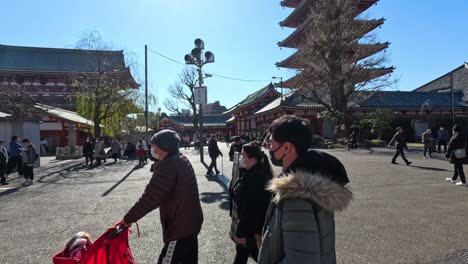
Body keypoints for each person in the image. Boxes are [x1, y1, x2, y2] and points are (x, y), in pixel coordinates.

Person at [258, 115, 352, 263]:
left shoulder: (296, 196)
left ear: (287, 147)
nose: (269, 148)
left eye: (270, 143)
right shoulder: (316, 181)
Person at [122, 130, 203, 263]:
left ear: (164, 147)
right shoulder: (181, 159)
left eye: (154, 145)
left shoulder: (169, 165)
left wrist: (128, 218)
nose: (152, 148)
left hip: (179, 228)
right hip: (191, 223)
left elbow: (151, 197)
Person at [230, 143, 272, 264]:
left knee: (246, 255)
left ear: (252, 159)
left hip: (250, 229)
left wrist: (242, 233)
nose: (241, 159)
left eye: (243, 156)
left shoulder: (256, 178)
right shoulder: (250, 172)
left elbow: (251, 210)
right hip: (249, 227)